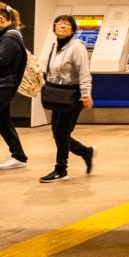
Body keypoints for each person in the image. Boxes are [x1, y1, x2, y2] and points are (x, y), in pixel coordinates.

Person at [38, 14, 95, 183]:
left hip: (72, 95)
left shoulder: (77, 47)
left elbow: (84, 73)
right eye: (58, 23)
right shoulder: (55, 45)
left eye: (66, 24)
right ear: (54, 28)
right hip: (58, 93)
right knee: (58, 133)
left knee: (61, 133)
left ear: (73, 29)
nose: (61, 26)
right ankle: (86, 152)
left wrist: (86, 95)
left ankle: (61, 169)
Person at [0, 2, 30, 171]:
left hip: (2, 86)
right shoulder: (5, 35)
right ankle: (19, 156)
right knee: (3, 122)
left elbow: (0, 61)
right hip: (2, 85)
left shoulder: (10, 38)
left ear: (1, 18)